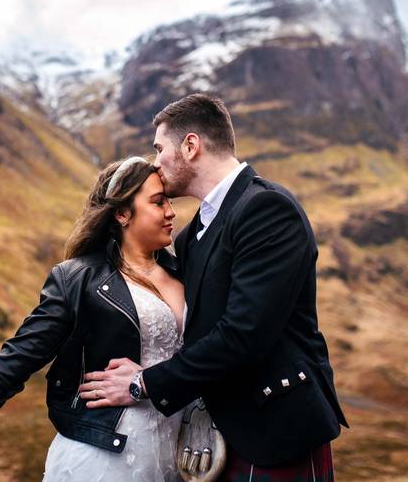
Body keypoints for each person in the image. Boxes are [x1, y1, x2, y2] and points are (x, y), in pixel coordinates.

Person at [79, 94, 348, 481]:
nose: (156, 161)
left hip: (276, 432)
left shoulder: (267, 209)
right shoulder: (192, 236)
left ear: (190, 146)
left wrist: (143, 384)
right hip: (217, 439)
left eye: (159, 148)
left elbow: (244, 334)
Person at [0, 156, 189, 481]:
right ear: (122, 213)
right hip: (106, 458)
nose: (170, 212)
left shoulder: (186, 271)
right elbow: (14, 361)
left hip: (181, 456)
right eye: (158, 202)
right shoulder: (77, 281)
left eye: (169, 201)